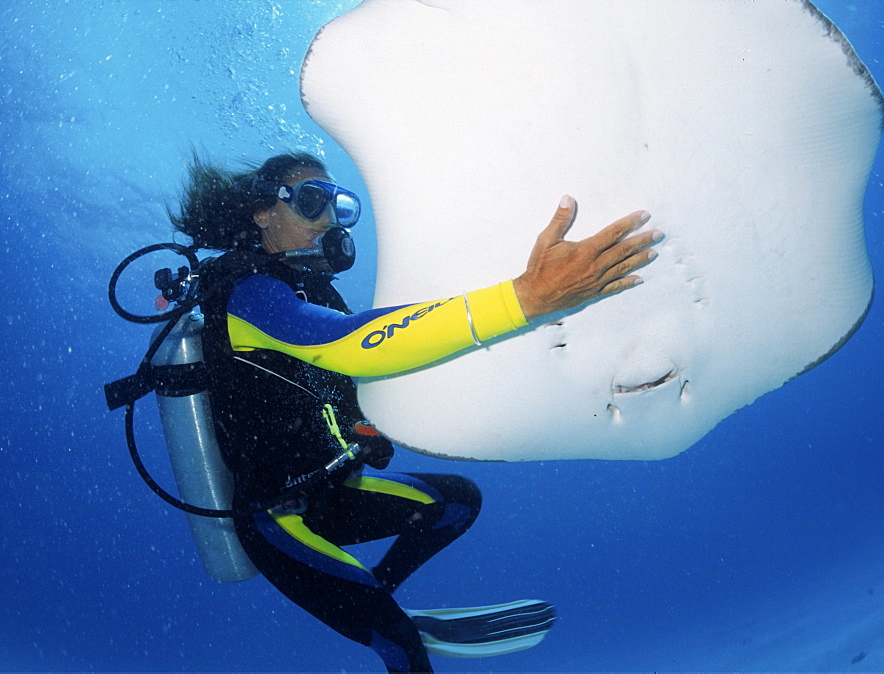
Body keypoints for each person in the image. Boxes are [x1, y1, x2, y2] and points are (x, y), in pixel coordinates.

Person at [168, 151, 660, 672]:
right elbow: (352, 344)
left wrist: (364, 426)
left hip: (335, 492)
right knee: (403, 649)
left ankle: (372, 596)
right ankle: (383, 620)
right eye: (312, 202)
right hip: (276, 516)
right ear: (263, 212)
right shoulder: (249, 292)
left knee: (458, 503)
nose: (329, 220)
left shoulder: (313, 292)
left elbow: (343, 383)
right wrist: (525, 298)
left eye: (341, 207)